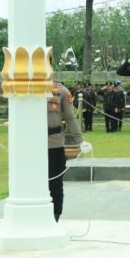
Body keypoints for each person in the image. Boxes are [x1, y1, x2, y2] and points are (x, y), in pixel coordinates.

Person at [47, 81, 86, 222]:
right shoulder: (25, 87)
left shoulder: (60, 90)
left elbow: (70, 117)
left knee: (55, 184)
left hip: (54, 144)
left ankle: (55, 218)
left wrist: (80, 140)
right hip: (32, 146)